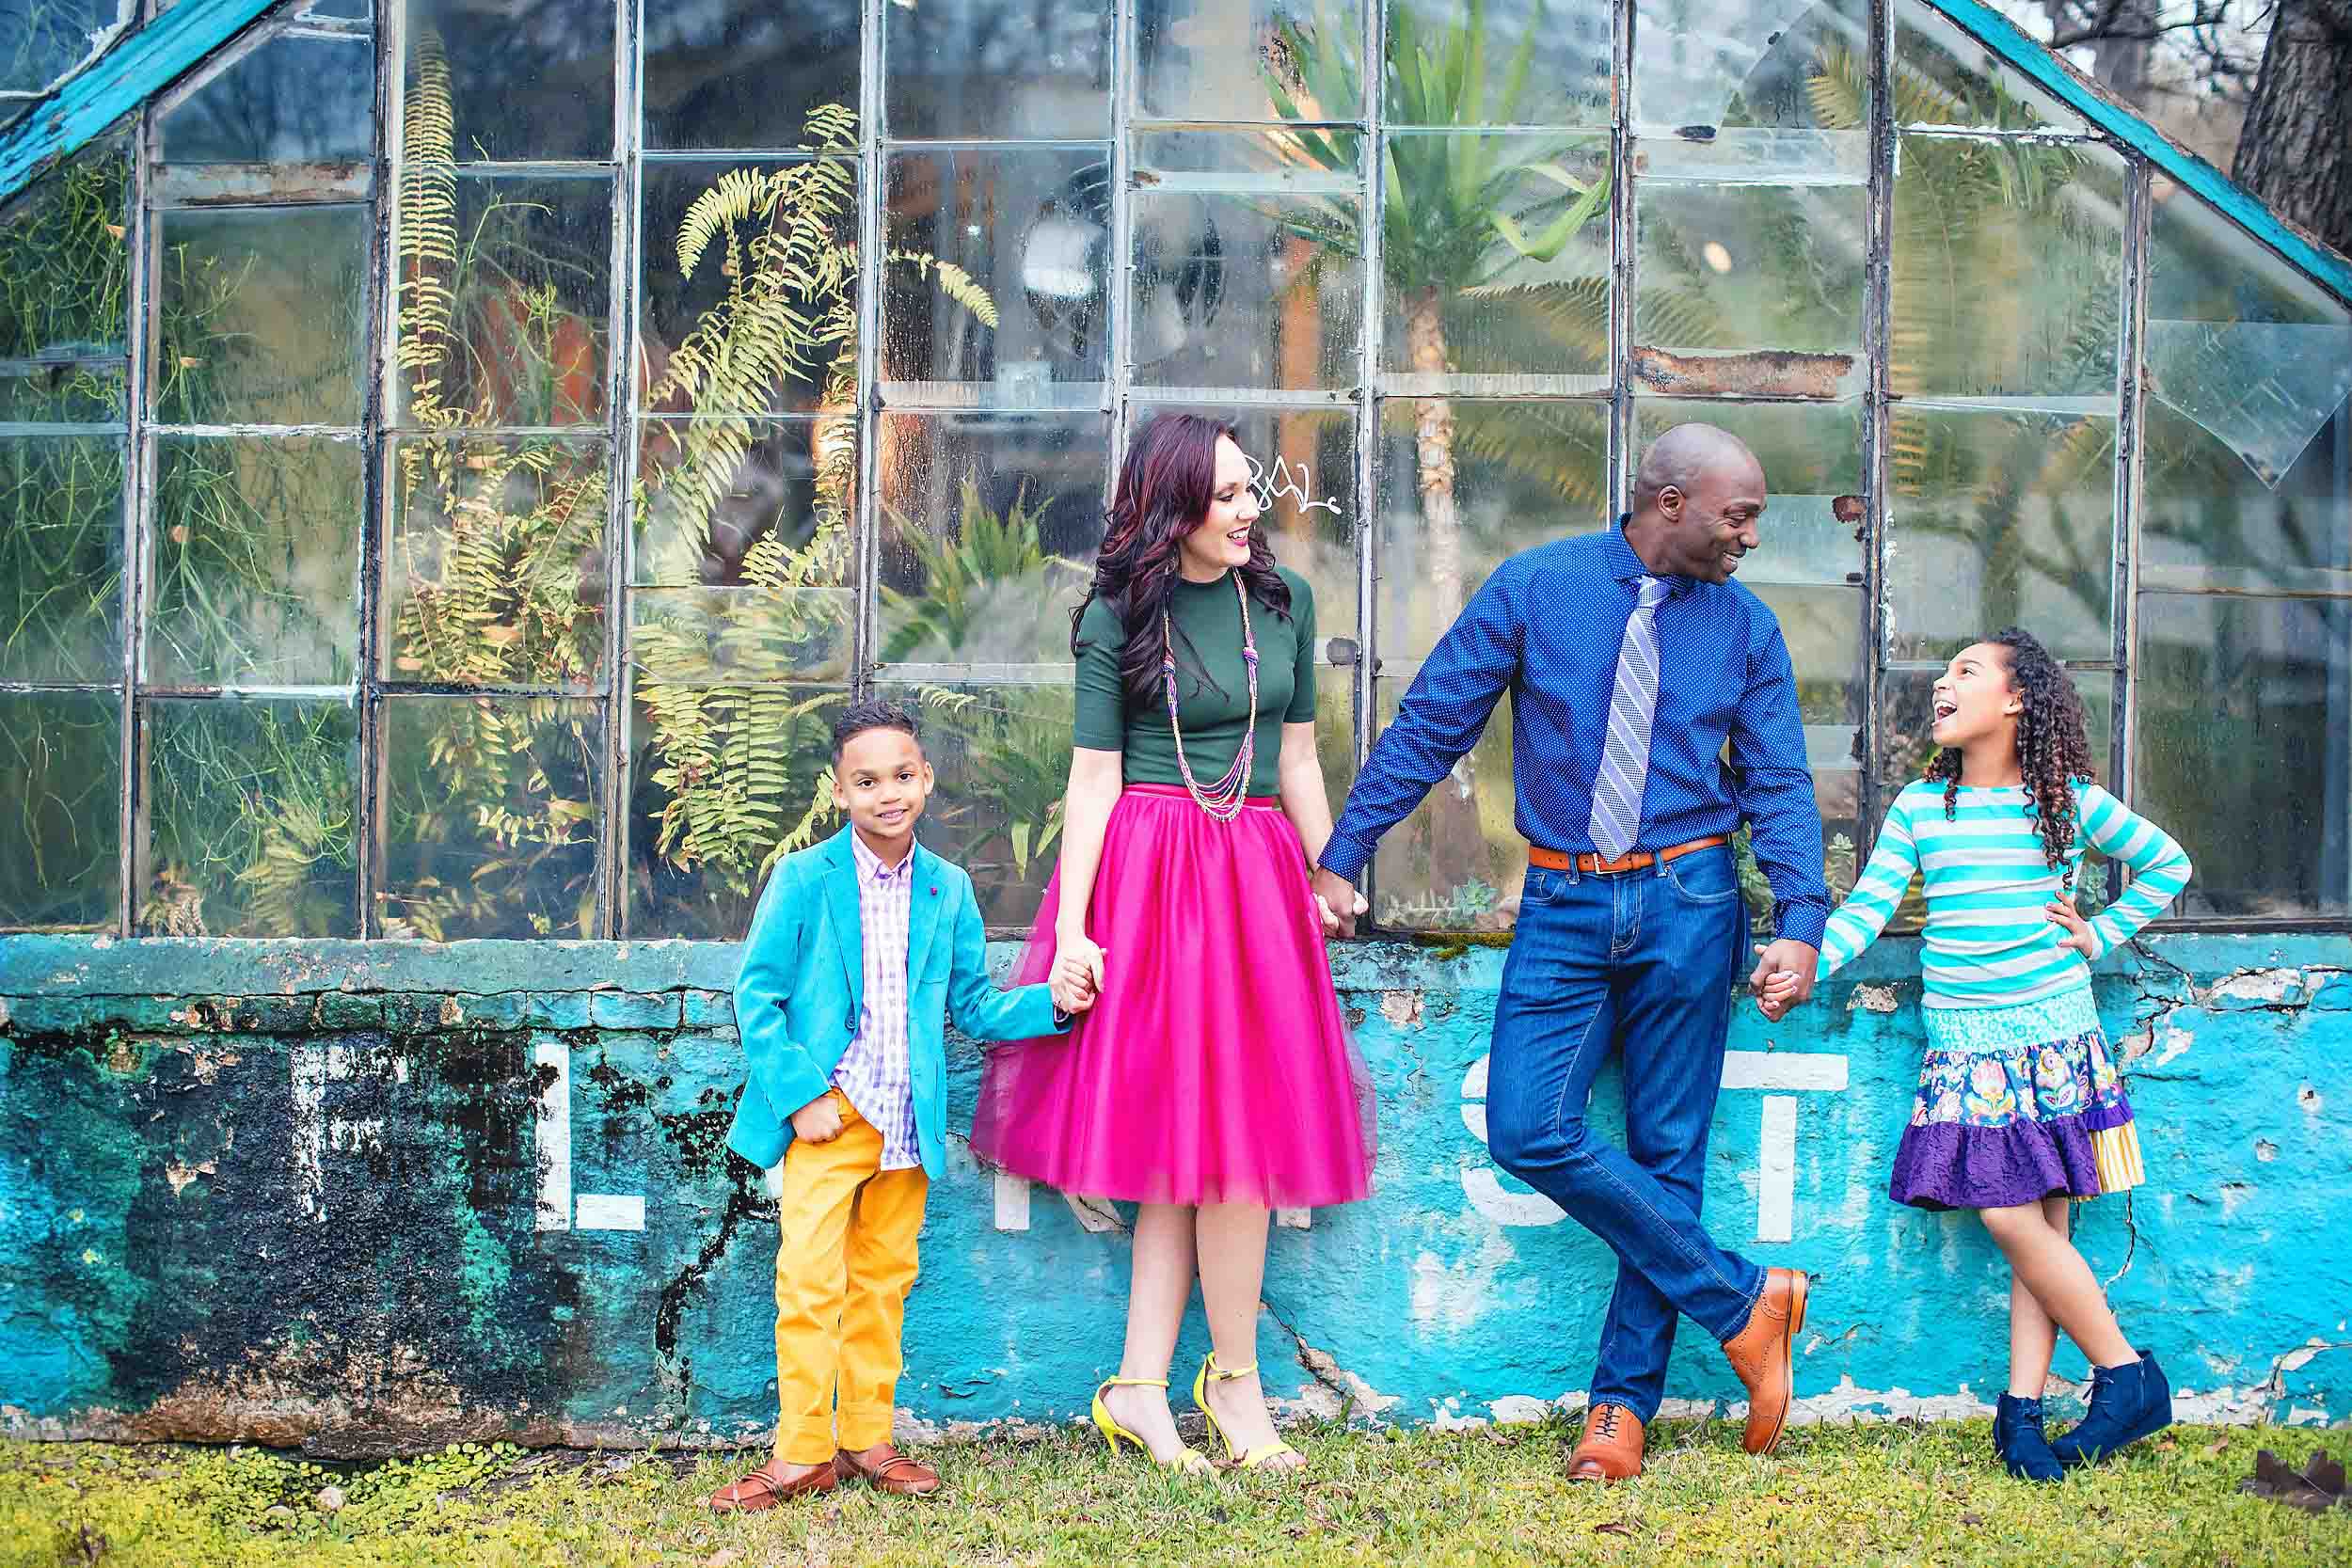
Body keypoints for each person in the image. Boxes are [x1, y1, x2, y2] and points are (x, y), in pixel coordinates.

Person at [1310, 423, 1829, 1483]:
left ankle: (1617, 1412)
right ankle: (1744, 1300)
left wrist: (1801, 920)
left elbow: (1777, 781)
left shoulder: (1743, 628)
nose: (1750, 537)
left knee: (1667, 1151)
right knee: (1527, 1124)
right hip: (1561, 898)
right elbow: (1431, 724)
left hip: (1690, 896)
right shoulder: (1537, 588)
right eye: (1738, 514)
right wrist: (1344, 851)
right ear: (1668, 499)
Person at [971, 412, 1375, 1475]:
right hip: (1151, 878)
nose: (1251, 510)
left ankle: (1201, 1380)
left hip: (1252, 877)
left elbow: (1297, 760)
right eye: (1230, 494)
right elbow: (1093, 778)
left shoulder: (1280, 603)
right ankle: (1166, 1387)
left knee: (1231, 1141)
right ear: (1172, 508)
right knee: (1181, 1147)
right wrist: (1070, 931)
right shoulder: (1114, 616)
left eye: (1253, 491)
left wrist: (1331, 869)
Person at [1757, 628, 2190, 1481]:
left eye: (1966, 671)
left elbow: (2166, 862)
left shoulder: (2063, 799)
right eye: (1943, 673)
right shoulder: (1924, 807)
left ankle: (2103, 1384)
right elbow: (1867, 908)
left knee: (2032, 1223)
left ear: (2017, 698)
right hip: (1968, 1048)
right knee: (2021, 1221)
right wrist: (1807, 961)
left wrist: (2098, 933)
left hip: (2056, 1036)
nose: (1942, 685)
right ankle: (2048, 1409)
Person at [708, 702, 1087, 1511]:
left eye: (904, 775)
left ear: (927, 779)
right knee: (809, 1283)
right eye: (868, 780)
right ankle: (802, 1451)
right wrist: (803, 1093)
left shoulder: (947, 890)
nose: (890, 793)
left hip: (907, 1121)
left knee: (883, 1282)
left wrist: (1053, 1003)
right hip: (832, 1114)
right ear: (838, 789)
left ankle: (865, 1442)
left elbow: (976, 1006)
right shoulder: (805, 878)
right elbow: (757, 995)